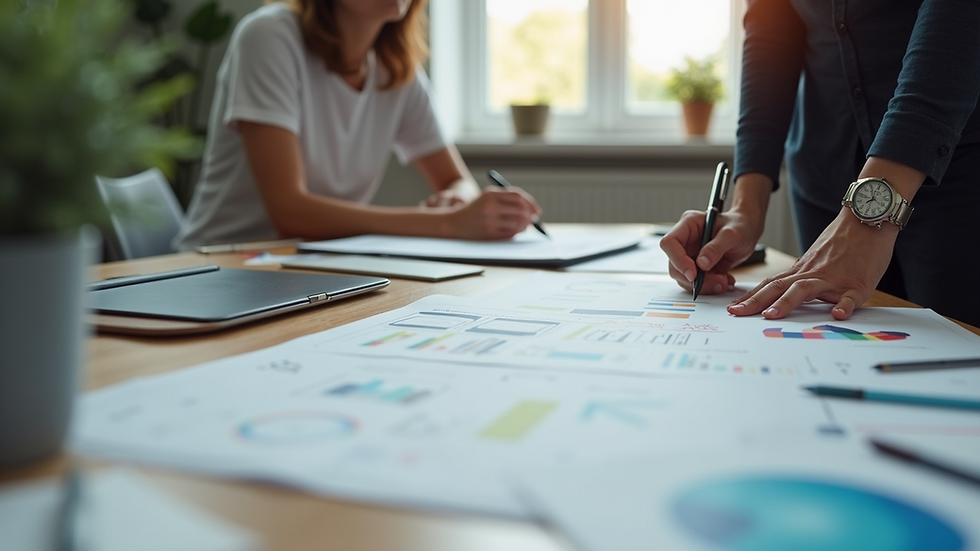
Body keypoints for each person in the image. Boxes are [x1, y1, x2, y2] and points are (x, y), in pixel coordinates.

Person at [661, 0, 980, 327]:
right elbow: (770, 32)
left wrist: (862, 218)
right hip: (822, 167)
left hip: (957, 170)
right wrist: (746, 209)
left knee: (954, 343)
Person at [174, 0, 542, 251]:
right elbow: (290, 212)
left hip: (313, 265)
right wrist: (447, 223)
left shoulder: (396, 69)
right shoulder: (269, 36)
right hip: (220, 264)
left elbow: (455, 180)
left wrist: (457, 199)